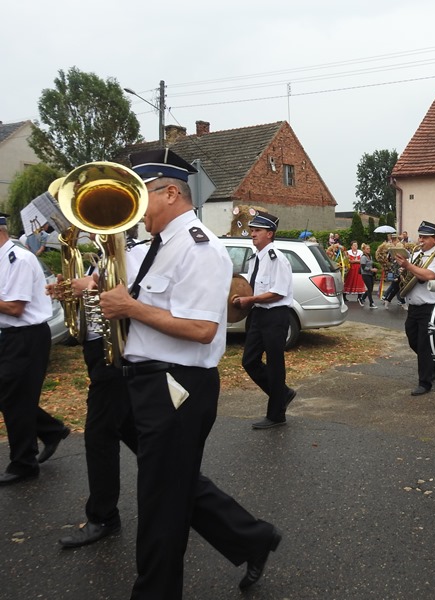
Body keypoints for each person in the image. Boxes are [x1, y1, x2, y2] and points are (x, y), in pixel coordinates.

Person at [99, 150, 282, 597]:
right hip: (143, 381)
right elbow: (140, 297)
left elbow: (202, 330)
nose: (134, 208)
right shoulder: (157, 245)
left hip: (175, 386)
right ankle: (251, 538)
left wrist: (129, 308)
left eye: (139, 195)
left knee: (160, 503)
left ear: (170, 193)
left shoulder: (200, 248)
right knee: (172, 482)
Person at [50, 230, 146, 547]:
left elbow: (132, 297)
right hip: (99, 351)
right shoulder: (102, 257)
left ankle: (103, 516)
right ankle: (186, 490)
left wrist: (90, 285)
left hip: (116, 355)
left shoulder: (133, 254)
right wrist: (70, 293)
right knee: (137, 435)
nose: (90, 228)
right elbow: (97, 305)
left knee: (99, 436)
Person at [0, 213, 70, 486]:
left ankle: (24, 464)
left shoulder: (18, 259)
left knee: (15, 399)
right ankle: (51, 430)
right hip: (9, 336)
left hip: (26, 336)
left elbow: (15, 308)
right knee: (11, 396)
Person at [232, 210, 297, 430]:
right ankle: (282, 393)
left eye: (257, 230)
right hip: (258, 314)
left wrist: (249, 299)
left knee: (275, 364)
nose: (252, 234)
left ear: (270, 234)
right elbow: (251, 287)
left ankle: (276, 415)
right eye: (251, 230)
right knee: (249, 361)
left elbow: (278, 292)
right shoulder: (255, 259)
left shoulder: (277, 259)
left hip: (275, 316)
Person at [393, 221, 435, 395]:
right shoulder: (416, 254)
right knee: (413, 340)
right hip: (413, 306)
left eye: (425, 237)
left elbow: (429, 275)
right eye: (420, 236)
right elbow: (411, 274)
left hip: (429, 307)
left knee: (423, 346)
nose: (421, 240)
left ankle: (425, 383)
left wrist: (408, 266)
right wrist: (404, 271)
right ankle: (434, 364)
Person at [358, 243, 378, 308]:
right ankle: (371, 303)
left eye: (369, 248)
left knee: (371, 288)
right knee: (369, 288)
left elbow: (371, 264)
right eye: (367, 249)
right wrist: (371, 269)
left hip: (370, 274)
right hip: (365, 274)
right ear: (364, 250)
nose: (369, 250)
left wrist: (374, 269)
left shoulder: (370, 256)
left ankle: (362, 298)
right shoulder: (363, 257)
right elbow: (363, 267)